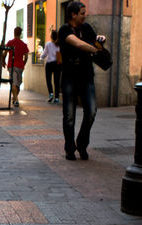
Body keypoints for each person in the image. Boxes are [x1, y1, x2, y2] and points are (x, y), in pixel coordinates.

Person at [58, 1, 106, 161]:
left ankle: (82, 143)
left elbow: (95, 43)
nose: (85, 16)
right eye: (82, 13)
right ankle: (70, 149)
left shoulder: (87, 29)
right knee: (69, 115)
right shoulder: (64, 30)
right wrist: (95, 50)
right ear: (73, 14)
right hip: (69, 77)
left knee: (91, 112)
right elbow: (77, 43)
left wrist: (100, 41)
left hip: (86, 76)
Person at [4, 27, 29, 107]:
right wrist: (23, 64)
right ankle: (16, 100)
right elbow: (26, 57)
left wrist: (3, 61)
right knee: (17, 83)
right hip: (20, 66)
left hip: (12, 65)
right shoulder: (24, 44)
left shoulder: (10, 42)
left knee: (15, 83)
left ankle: (15, 98)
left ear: (14, 33)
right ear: (20, 34)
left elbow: (4, 53)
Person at [41, 29, 61, 103]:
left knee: (48, 80)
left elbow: (44, 53)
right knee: (57, 81)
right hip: (57, 64)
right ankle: (57, 98)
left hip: (49, 64)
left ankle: (51, 94)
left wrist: (41, 57)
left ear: (51, 36)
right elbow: (60, 55)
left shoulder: (48, 44)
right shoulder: (59, 44)